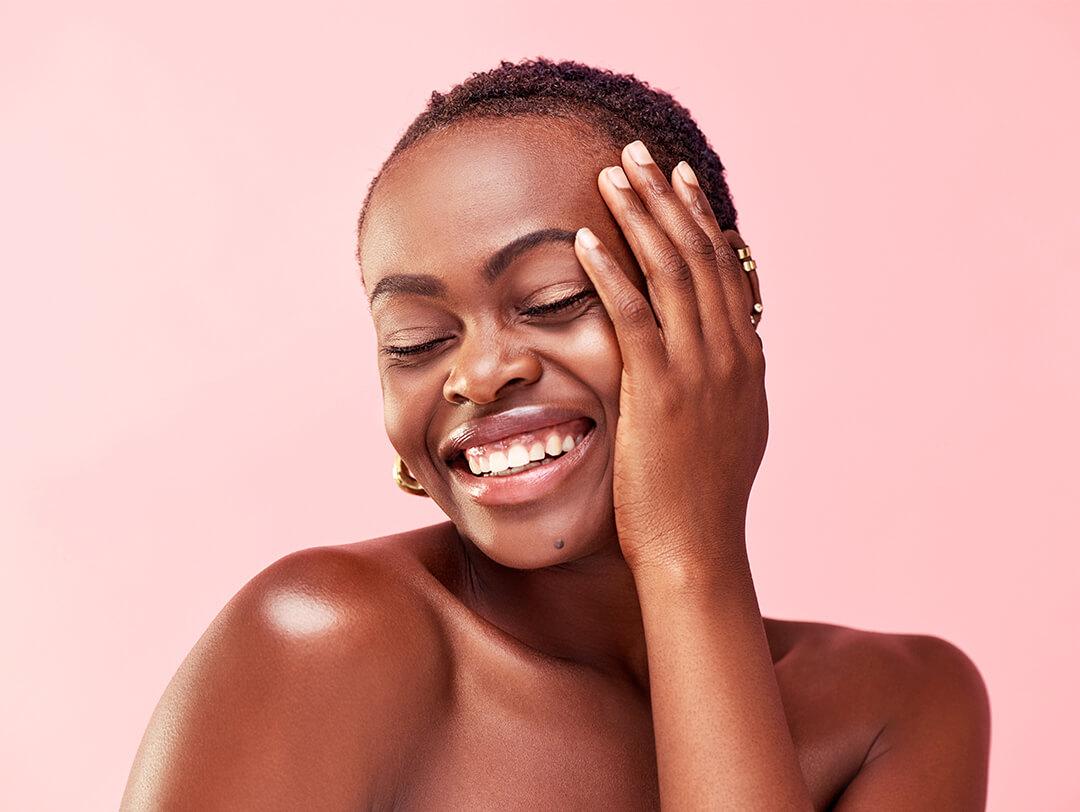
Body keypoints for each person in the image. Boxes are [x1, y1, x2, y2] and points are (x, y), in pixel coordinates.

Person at [121, 57, 991, 809]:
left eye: (552, 301)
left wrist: (691, 556)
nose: (476, 374)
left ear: (723, 300)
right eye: (414, 343)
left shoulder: (898, 709)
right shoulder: (325, 642)